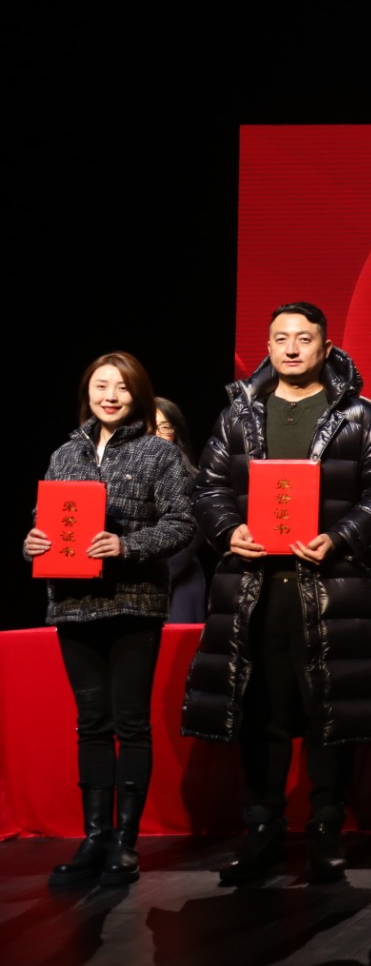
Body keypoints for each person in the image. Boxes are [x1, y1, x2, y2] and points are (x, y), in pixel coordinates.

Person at [181, 301, 371, 885]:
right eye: (280, 337)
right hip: (254, 590)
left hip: (332, 588)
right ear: (268, 345)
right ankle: (262, 829)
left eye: (303, 339)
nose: (290, 348)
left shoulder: (359, 416)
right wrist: (229, 530)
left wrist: (339, 537)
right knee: (263, 710)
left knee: (329, 708)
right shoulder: (239, 415)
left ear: (325, 348)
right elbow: (207, 489)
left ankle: (326, 829)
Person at [26, 353, 194, 887]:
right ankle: (94, 836)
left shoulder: (157, 453)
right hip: (72, 604)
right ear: (87, 393)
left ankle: (125, 842)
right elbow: (44, 519)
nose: (110, 396)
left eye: (121, 387)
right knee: (91, 723)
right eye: (101, 386)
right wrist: (32, 544)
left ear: (137, 393)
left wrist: (127, 546)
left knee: (131, 723)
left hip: (132, 601)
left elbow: (182, 523)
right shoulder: (65, 453)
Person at [154, 396, 209, 625]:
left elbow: (186, 544)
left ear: (176, 434)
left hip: (177, 580)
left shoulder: (194, 480)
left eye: (164, 427)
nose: (156, 434)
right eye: (147, 426)